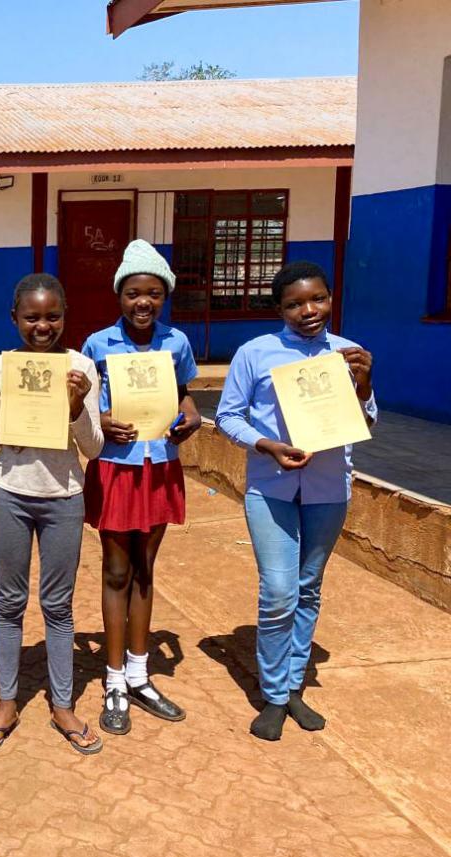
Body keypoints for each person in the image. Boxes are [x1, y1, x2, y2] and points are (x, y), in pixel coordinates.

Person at [215, 261, 376, 741]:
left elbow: (366, 424)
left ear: (330, 298)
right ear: (278, 308)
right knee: (279, 589)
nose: (309, 310)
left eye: (318, 299)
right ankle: (274, 695)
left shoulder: (347, 354)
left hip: (328, 488)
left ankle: (294, 685)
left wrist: (364, 385)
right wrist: (268, 446)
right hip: (271, 487)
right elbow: (227, 416)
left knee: (308, 586)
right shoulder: (255, 353)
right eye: (295, 303)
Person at [0, 273, 105, 754]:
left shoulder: (80, 368)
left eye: (52, 316)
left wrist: (74, 406)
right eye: (32, 316)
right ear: (15, 318)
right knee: (9, 602)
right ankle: (7, 701)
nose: (42, 325)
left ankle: (63, 705)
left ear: (65, 317)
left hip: (64, 496)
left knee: (58, 605)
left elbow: (94, 446)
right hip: (10, 493)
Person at [81, 240, 202, 736]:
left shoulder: (177, 343)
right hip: (116, 466)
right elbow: (84, 406)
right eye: (133, 293)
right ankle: (113, 680)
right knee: (116, 571)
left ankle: (139, 674)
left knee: (146, 572)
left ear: (165, 295)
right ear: (119, 296)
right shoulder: (96, 345)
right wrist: (103, 420)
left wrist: (192, 415)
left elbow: (188, 396)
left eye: (153, 293)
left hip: (160, 465)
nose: (143, 303)